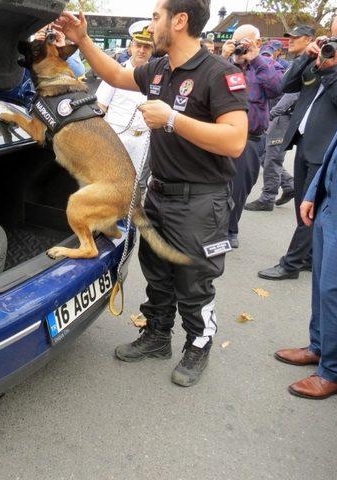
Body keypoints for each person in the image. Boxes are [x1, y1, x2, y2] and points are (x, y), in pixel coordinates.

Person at [54, 0, 248, 387]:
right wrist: (83, 39)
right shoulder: (159, 69)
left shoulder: (218, 73)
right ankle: (158, 336)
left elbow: (235, 140)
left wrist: (173, 120)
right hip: (157, 191)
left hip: (200, 200)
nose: (152, 23)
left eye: (158, 16)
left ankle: (198, 344)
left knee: (193, 282)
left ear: (180, 20)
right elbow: (113, 73)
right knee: (156, 273)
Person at [258, 17, 337, 280]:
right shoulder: (321, 56)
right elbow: (285, 85)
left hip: (327, 147)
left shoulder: (331, 65)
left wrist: (329, 71)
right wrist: (306, 57)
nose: (333, 40)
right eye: (333, 33)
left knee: (310, 205)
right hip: (304, 140)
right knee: (302, 206)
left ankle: (291, 263)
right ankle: (310, 256)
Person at [274, 128, 337, 399]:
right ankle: (319, 347)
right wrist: (314, 190)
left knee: (333, 291)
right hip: (330, 203)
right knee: (321, 285)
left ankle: (332, 371)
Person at [222, 25, 283, 248]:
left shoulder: (268, 66)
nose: (240, 46)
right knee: (213, 184)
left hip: (250, 138)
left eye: (245, 42)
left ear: (257, 43)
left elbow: (277, 88)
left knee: (239, 188)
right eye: (236, 41)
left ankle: (230, 228)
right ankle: (212, 226)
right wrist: (225, 59)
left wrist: (255, 59)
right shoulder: (226, 66)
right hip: (221, 134)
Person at [244, 25, 315, 212]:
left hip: (284, 118)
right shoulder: (298, 62)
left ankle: (268, 197)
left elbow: (291, 95)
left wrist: (271, 115)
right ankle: (289, 185)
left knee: (272, 158)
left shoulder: (309, 62)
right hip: (281, 117)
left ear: (308, 39)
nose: (290, 40)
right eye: (289, 37)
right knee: (267, 155)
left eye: (295, 37)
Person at [96, 22, 154, 186]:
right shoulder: (116, 72)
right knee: (109, 183)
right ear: (131, 46)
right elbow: (100, 106)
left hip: (142, 140)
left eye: (147, 47)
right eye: (138, 45)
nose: (142, 50)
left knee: (133, 187)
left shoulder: (156, 77)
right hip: (117, 137)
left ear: (152, 50)